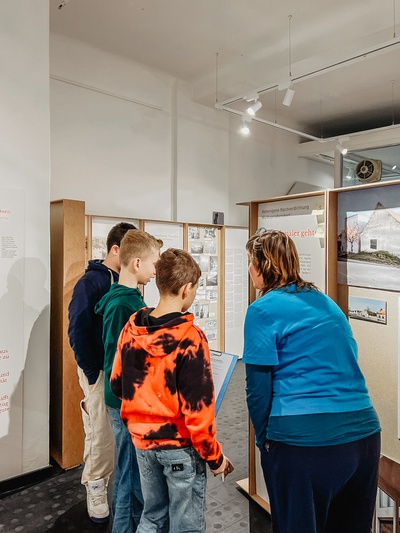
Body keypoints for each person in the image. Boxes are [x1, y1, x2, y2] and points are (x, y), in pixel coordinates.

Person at [243, 229, 381, 533]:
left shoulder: (261, 310)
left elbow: (257, 388)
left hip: (303, 444)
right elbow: (348, 358)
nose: (249, 269)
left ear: (264, 265)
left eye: (251, 262)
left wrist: (265, 440)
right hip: (364, 437)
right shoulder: (327, 303)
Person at [110, 248, 234, 533]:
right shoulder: (190, 338)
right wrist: (215, 458)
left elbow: (117, 384)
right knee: (185, 524)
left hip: (143, 444)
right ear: (186, 289)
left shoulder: (132, 328)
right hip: (180, 449)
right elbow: (198, 412)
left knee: (152, 517)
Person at [68, 221, 136, 523]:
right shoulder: (91, 283)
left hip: (119, 372)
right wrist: (93, 373)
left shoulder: (124, 280)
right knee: (99, 431)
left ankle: (110, 483)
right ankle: (95, 485)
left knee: (114, 432)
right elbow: (78, 330)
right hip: (99, 370)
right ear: (116, 249)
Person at [95, 230, 162, 533]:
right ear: (137, 263)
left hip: (123, 399)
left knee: (130, 472)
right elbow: (116, 357)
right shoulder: (125, 304)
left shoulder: (124, 299)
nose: (156, 270)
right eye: (154, 263)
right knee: (130, 476)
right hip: (125, 402)